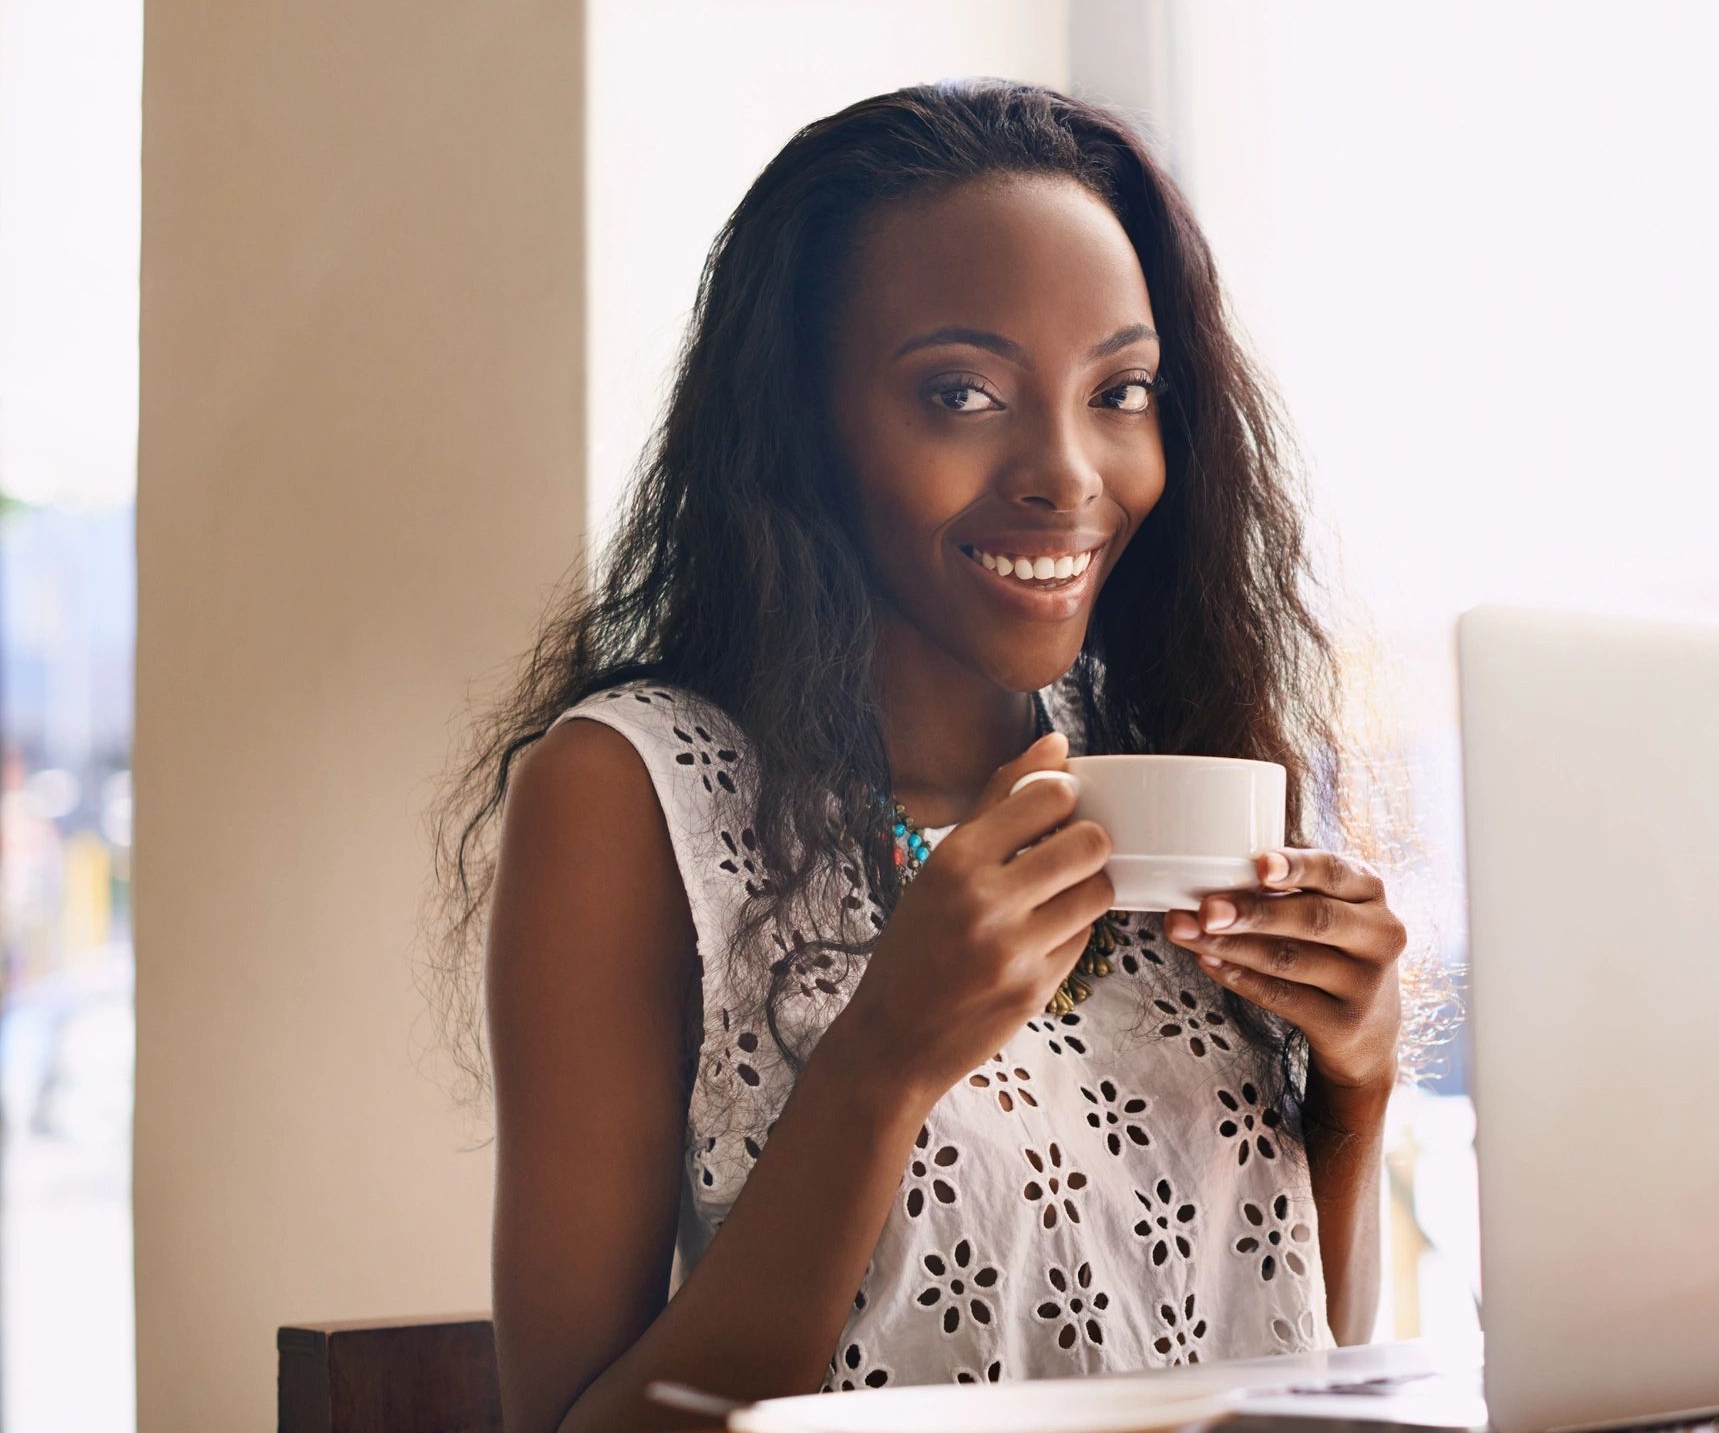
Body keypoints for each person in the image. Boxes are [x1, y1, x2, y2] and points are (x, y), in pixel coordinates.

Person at [424, 77, 1409, 1433]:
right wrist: (885, 1055)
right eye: (961, 393)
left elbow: (1294, 1348)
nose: (1067, 471)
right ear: (802, 428)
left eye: (1119, 390)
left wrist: (1351, 1090)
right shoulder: (629, 792)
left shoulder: (1175, 781)